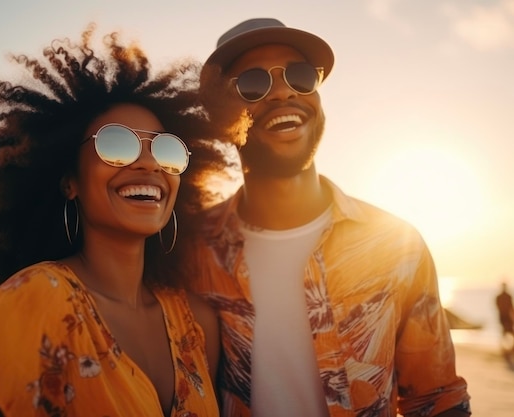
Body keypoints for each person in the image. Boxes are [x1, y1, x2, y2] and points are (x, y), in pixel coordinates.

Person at [0, 23, 247, 417]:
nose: (150, 163)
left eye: (166, 150)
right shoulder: (33, 300)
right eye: (116, 144)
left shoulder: (197, 323)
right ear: (70, 182)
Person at [179, 18, 471, 417]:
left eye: (300, 76)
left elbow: (437, 401)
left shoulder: (395, 245)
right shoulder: (188, 248)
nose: (283, 91)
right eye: (252, 83)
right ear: (219, 114)